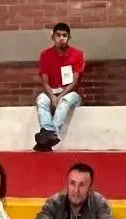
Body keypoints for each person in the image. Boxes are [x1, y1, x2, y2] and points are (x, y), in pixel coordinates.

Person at [34, 22, 85, 152]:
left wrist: (60, 96)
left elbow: (74, 82)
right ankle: (48, 133)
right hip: (51, 92)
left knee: (64, 102)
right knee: (41, 100)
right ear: (53, 37)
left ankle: (50, 135)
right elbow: (44, 81)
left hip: (71, 94)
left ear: (68, 37)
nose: (61, 38)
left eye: (64, 35)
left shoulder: (77, 54)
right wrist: (52, 96)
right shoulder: (45, 55)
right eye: (58, 35)